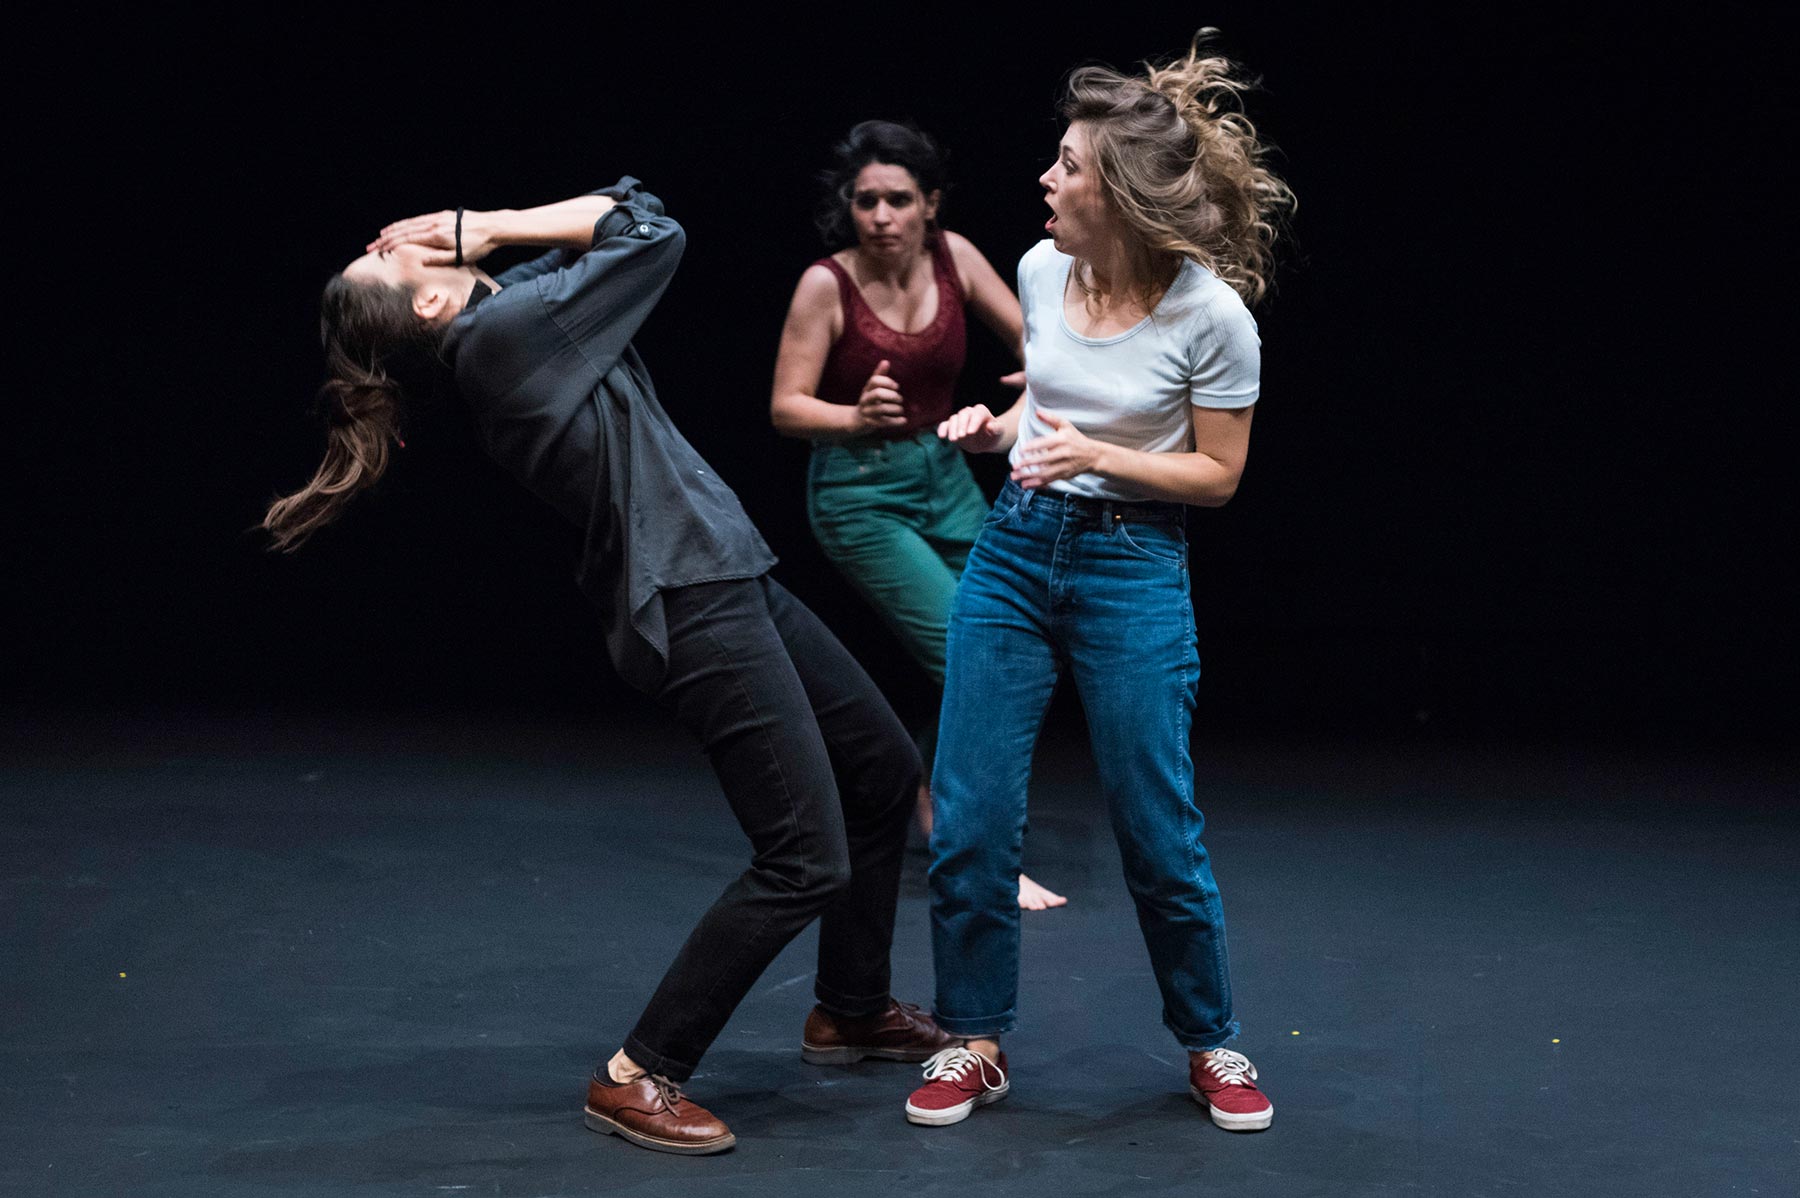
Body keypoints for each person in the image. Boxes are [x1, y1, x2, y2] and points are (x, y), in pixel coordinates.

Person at [263, 177, 953, 1156]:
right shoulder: (502, 341)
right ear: (429, 301)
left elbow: (617, 210)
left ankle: (849, 1007)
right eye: (383, 257)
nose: (390, 238)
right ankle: (637, 1073)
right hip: (691, 598)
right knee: (804, 855)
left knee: (881, 768)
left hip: (724, 570)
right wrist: (484, 224)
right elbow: (651, 231)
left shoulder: (514, 314)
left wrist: (481, 239)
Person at [900, 33, 1297, 1133]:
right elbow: (1048, 407)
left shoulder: (1211, 317)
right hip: (1017, 549)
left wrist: (1097, 456)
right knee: (972, 818)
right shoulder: (1040, 271)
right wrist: (997, 431)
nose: (1045, 179)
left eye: (1067, 165)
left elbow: (1219, 475)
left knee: (1156, 827)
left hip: (1133, 565)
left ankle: (1212, 1039)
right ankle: (974, 1040)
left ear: (1116, 193)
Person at [769, 121, 1065, 911]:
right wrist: (854, 415)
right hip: (860, 494)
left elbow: (1042, 340)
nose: (881, 216)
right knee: (975, 655)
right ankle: (978, 848)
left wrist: (1041, 376)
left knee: (1013, 640)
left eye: (898, 200)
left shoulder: (954, 256)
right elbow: (786, 407)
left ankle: (934, 801)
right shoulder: (826, 284)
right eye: (865, 201)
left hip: (946, 477)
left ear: (930, 204)